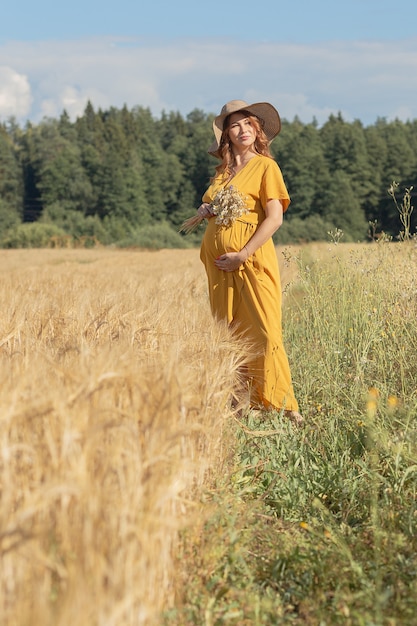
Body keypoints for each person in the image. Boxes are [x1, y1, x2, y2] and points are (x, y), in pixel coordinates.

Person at [197, 99, 303, 425]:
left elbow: (274, 218)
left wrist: (243, 253)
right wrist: (206, 210)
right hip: (219, 269)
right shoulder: (224, 172)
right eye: (234, 125)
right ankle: (239, 406)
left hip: (251, 263)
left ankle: (287, 408)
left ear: (257, 130)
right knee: (231, 334)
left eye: (248, 124)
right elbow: (216, 206)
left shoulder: (266, 167)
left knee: (266, 332)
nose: (242, 130)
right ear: (226, 134)